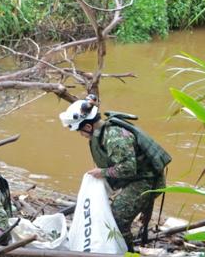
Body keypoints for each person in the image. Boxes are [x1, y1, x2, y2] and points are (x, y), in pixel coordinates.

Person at [60, 95, 172, 245]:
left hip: (146, 180)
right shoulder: (102, 133)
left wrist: (103, 172)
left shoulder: (114, 137)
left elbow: (128, 168)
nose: (81, 135)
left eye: (80, 131)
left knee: (116, 220)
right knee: (112, 213)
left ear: (88, 127)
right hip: (136, 177)